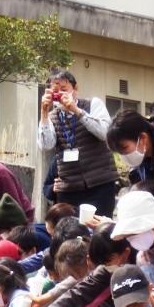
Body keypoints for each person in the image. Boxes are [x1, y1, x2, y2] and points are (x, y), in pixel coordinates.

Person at [37, 69, 120, 217]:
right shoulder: (51, 116)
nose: (59, 95)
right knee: (68, 232)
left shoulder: (93, 104)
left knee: (98, 231)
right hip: (69, 188)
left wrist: (76, 110)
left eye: (64, 90)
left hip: (99, 184)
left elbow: (104, 133)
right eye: (55, 91)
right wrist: (43, 111)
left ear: (75, 89)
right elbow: (46, 145)